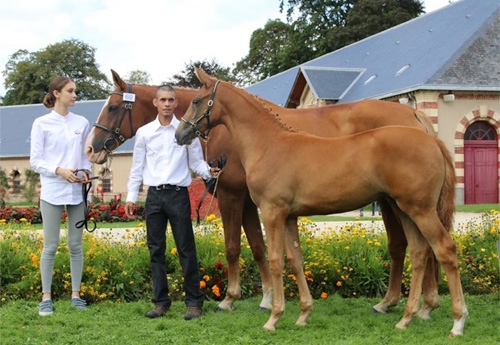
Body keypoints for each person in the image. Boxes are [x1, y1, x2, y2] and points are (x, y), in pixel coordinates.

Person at [124, 85, 220, 320]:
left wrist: (210, 171)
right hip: (154, 197)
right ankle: (160, 303)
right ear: (155, 103)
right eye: (163, 100)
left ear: (177, 104)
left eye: (171, 100)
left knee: (186, 249)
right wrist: (130, 196)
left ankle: (194, 303)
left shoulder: (187, 132)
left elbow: (196, 163)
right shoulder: (145, 133)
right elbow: (137, 167)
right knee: (156, 251)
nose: (167, 103)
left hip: (178, 195)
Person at [30, 76, 92, 316]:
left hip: (76, 192)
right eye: (71, 91)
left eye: (75, 91)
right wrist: (59, 171)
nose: (75, 95)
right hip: (52, 192)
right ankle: (46, 297)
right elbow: (36, 161)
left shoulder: (82, 122)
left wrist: (85, 171)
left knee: (76, 245)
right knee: (50, 246)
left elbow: (86, 155)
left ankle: (76, 295)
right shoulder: (41, 124)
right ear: (57, 93)